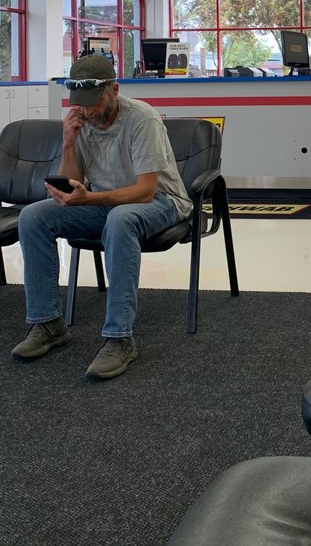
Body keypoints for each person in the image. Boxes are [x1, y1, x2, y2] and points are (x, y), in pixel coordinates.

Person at [11, 54, 192, 381]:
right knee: (33, 217)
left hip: (162, 202)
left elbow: (145, 191)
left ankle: (120, 338)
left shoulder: (142, 119)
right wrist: (68, 143)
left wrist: (89, 198)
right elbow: (72, 181)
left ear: (114, 90)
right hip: (107, 203)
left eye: (94, 102)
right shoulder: (80, 120)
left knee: (121, 220)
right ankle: (49, 324)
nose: (88, 110)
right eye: (80, 103)